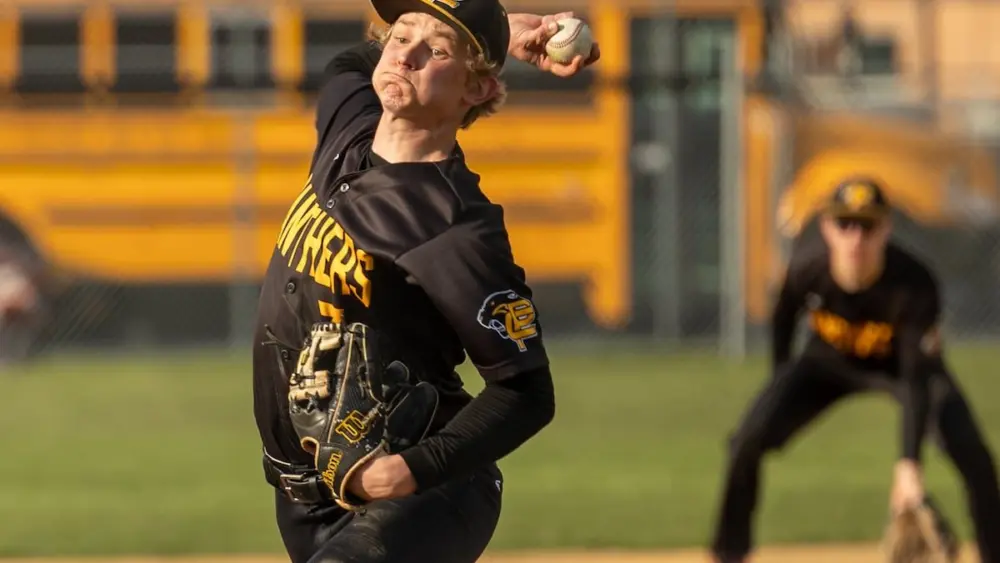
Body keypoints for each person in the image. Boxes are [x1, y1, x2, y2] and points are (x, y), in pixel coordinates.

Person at [250, 1, 599, 562]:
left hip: (426, 497)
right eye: (399, 36)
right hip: (306, 500)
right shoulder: (350, 129)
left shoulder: (452, 222)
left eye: (435, 51)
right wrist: (503, 30)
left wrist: (410, 471)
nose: (404, 56)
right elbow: (347, 63)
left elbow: (527, 392)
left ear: (478, 90)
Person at [709, 178, 1000, 563]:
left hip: (903, 370)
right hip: (826, 363)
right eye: (844, 224)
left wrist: (908, 467)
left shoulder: (913, 283)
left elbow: (916, 380)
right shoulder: (806, 270)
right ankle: (729, 552)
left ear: (887, 229)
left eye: (868, 226)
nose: (856, 238)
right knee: (745, 440)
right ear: (827, 228)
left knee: (973, 454)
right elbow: (782, 321)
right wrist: (776, 393)